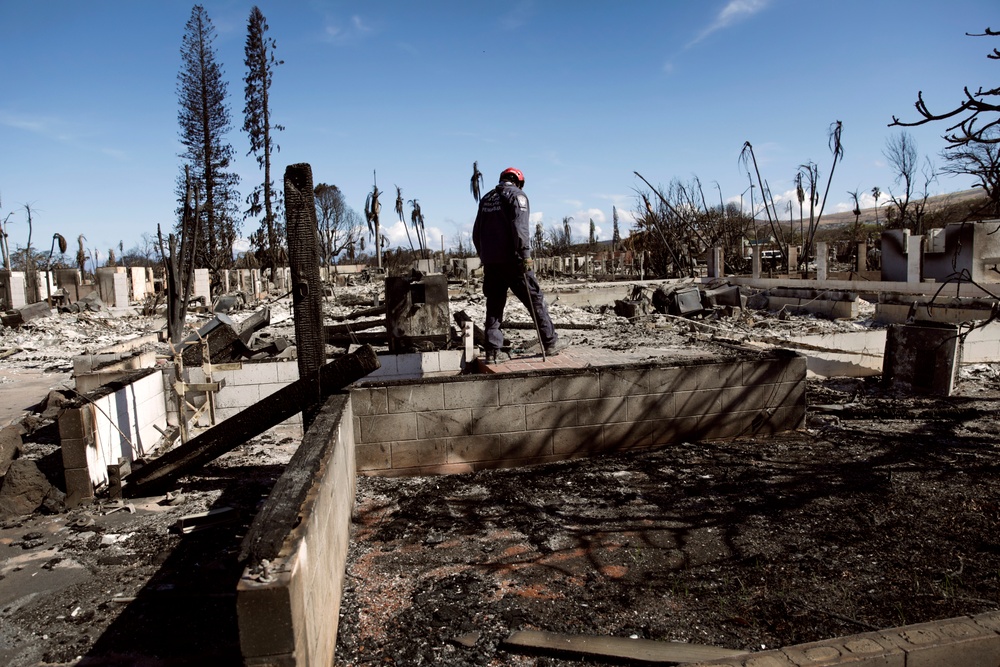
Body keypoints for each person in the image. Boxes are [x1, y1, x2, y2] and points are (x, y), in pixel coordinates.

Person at [472, 167, 567, 364]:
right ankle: (549, 342)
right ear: (519, 181)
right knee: (535, 300)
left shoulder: (487, 198)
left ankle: (493, 351)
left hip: (492, 263)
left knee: (494, 306)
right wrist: (525, 256)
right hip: (513, 261)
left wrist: (485, 256)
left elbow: (476, 232)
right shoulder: (517, 196)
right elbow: (519, 227)